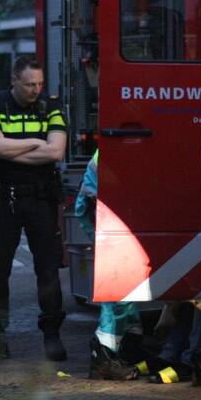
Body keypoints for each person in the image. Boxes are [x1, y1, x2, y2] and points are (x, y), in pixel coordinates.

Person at [0, 56, 69, 361]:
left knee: (47, 269)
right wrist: (35, 141)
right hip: (3, 198)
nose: (36, 90)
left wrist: (11, 149)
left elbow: (56, 151)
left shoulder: (51, 106)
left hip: (40, 198)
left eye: (40, 84)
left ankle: (52, 336)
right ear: (14, 80)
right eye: (30, 84)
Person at [75, 150, 144, 380]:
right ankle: (105, 356)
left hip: (105, 216)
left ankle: (126, 349)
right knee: (120, 292)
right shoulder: (116, 153)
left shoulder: (112, 146)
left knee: (127, 291)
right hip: (113, 217)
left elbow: (82, 208)